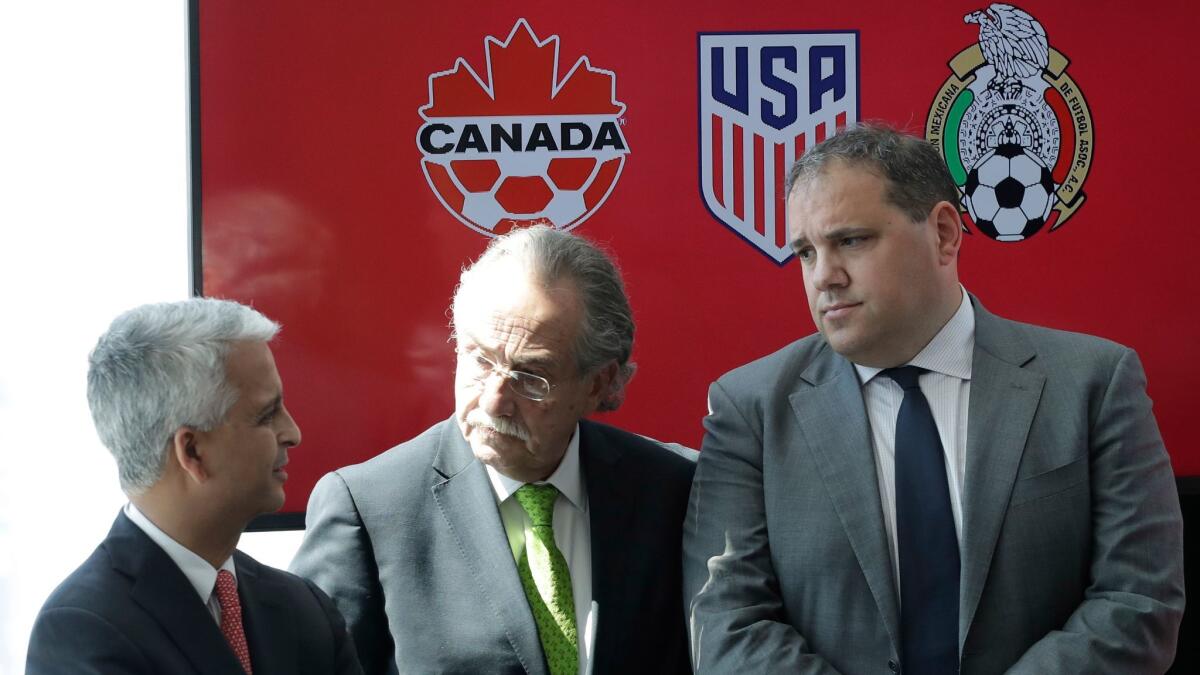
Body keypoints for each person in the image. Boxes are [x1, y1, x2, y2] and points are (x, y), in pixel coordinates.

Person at [682, 124, 1185, 674]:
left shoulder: (1092, 384)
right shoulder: (748, 408)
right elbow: (727, 625)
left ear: (945, 234)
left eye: (850, 240)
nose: (824, 276)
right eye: (806, 252)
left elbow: (1137, 601)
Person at [291, 225, 696, 674]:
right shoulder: (369, 509)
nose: (492, 400)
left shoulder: (673, 491)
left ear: (598, 383)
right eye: (480, 360)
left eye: (530, 377)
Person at [27, 298, 362, 675]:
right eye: (267, 415)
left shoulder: (304, 608)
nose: (293, 433)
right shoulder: (83, 630)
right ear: (192, 451)